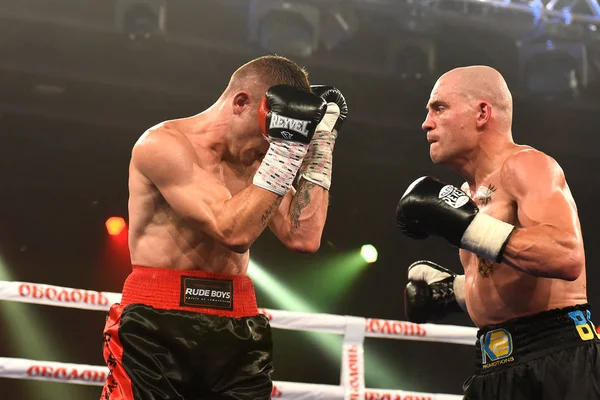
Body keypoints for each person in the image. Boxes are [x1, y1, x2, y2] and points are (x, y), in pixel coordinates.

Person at [100, 55, 348, 400]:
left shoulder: (263, 155)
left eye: (281, 139)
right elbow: (233, 232)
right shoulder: (164, 145)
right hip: (157, 325)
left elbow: (303, 236)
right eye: (271, 133)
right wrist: (289, 147)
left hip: (238, 322)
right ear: (242, 102)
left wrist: (321, 143)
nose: (271, 146)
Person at [395, 65, 600, 399]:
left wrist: (469, 227)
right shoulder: (465, 193)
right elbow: (506, 276)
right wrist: (456, 291)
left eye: (439, 108)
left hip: (556, 356)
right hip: (493, 365)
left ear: (481, 113)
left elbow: (566, 255)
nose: (426, 122)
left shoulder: (527, 166)